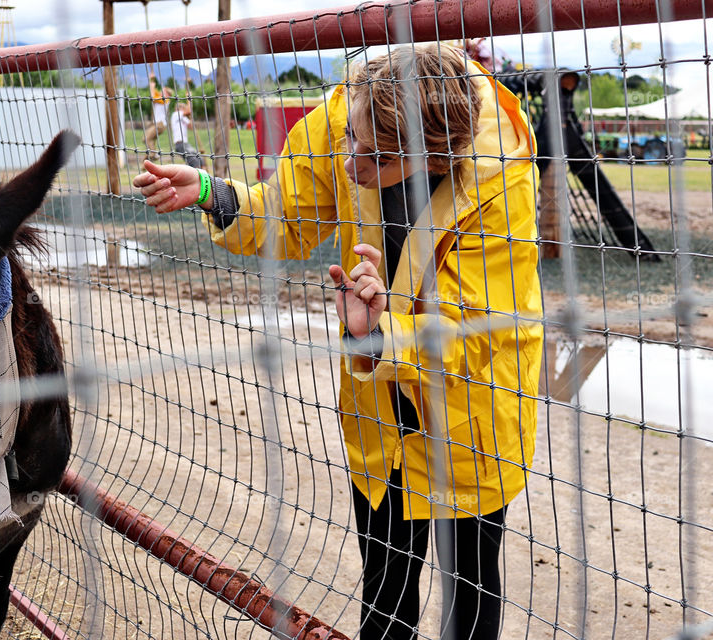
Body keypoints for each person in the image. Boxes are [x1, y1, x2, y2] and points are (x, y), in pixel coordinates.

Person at [133, 43, 542, 640]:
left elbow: (474, 333)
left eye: (374, 157)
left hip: (471, 414)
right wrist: (211, 192)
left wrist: (380, 333)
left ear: (431, 157)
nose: (350, 163)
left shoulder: (501, 172)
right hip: (379, 409)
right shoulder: (345, 111)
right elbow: (284, 216)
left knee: (471, 591)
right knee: (384, 591)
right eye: (350, 139)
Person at [143, 73, 173, 160]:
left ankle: (154, 154)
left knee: (147, 138)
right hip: (157, 124)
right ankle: (152, 155)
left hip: (160, 124)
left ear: (167, 94)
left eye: (163, 91)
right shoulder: (161, 98)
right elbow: (154, 90)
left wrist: (152, 86)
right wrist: (152, 80)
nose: (160, 92)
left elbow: (152, 96)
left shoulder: (165, 100)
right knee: (147, 139)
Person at [169, 99, 204, 169]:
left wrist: (190, 118)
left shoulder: (183, 118)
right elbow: (188, 111)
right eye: (184, 109)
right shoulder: (176, 115)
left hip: (185, 143)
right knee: (194, 162)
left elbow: (191, 127)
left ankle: (204, 177)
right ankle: (195, 178)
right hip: (180, 144)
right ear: (180, 109)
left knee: (200, 160)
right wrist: (189, 100)